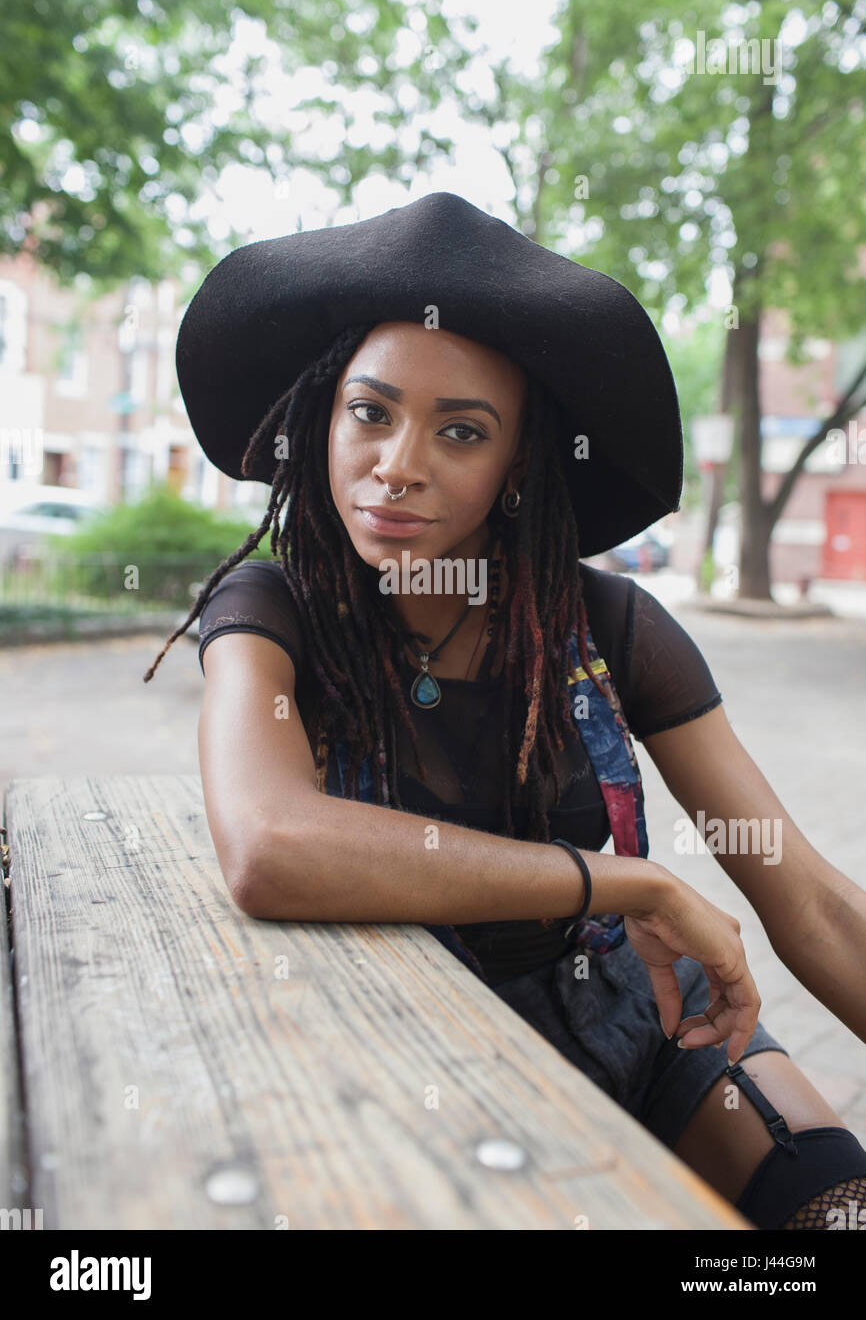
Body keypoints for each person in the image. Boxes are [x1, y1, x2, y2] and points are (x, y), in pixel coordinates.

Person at [145, 191, 866, 1230]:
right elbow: (268, 843)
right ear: (321, 414)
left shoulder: (612, 627)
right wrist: (622, 881)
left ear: (516, 467)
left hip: (650, 1037)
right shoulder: (272, 610)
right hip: (404, 1064)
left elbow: (808, 902)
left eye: (460, 431)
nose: (397, 464)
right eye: (370, 411)